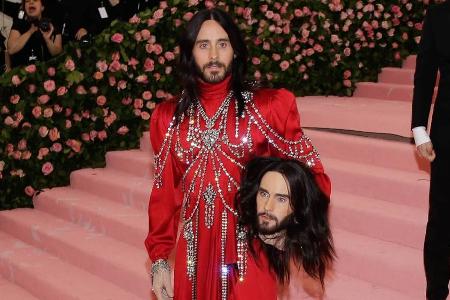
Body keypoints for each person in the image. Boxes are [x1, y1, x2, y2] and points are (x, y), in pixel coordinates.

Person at [145, 8, 331, 300]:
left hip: (251, 255)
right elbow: (163, 194)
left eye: (223, 43)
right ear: (190, 52)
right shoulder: (168, 119)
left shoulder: (267, 108)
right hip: (192, 255)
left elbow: (313, 176)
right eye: (203, 45)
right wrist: (158, 259)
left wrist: (289, 229)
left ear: (236, 50)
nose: (214, 54)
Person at [236, 156, 334, 297]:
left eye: (281, 199)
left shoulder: (295, 262)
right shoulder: (237, 242)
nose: (268, 207)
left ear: (298, 209)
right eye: (264, 194)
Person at [411, 1, 450, 299]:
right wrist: (419, 129)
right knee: (441, 219)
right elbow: (424, 74)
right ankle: (436, 292)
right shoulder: (439, 15)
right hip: (448, 134)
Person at [7, 0, 62, 68]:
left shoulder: (51, 25)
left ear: (42, 7)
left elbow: (57, 53)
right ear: (24, 8)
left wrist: (48, 40)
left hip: (46, 73)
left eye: (35, 0)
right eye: (27, 1)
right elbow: (11, 49)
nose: (31, 2)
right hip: (23, 73)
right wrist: (30, 31)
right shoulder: (19, 24)